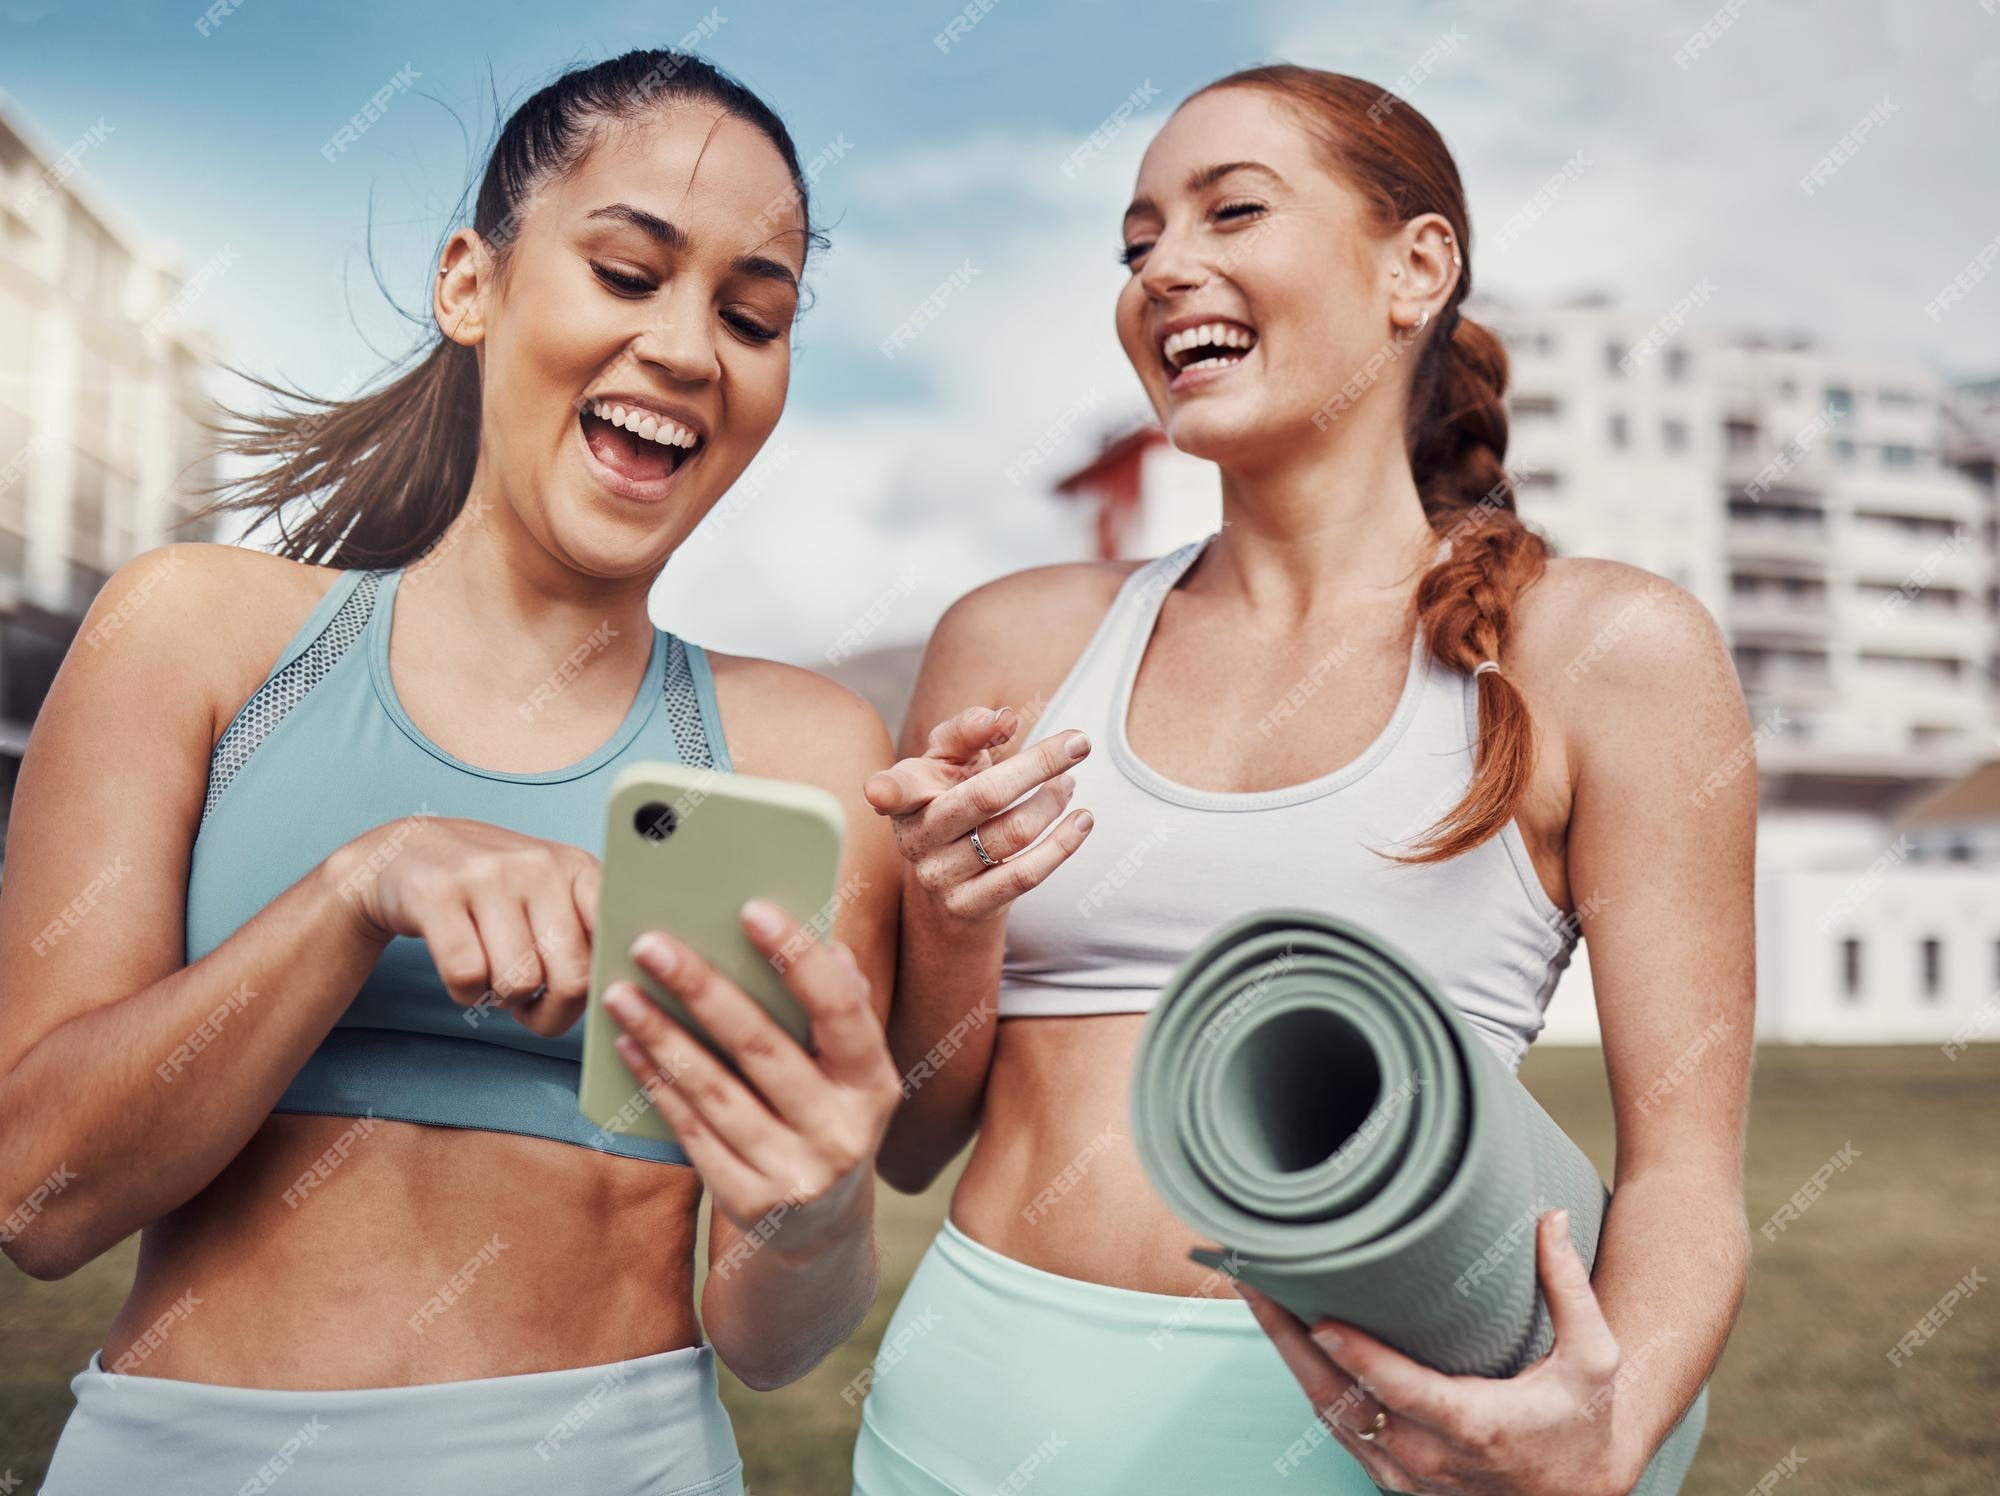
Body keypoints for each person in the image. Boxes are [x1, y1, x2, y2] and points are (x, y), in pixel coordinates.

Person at [0, 49, 902, 1496]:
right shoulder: (195, 633)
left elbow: (776, 1341)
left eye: (752, 315)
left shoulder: (807, 754)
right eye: (627, 273)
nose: (688, 350)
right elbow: (38, 1198)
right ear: (469, 285)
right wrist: (360, 887)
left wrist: (814, 1213)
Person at [854, 64, 1751, 1495]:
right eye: (1137, 242)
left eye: (1232, 212)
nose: (1166, 269)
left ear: (1417, 267)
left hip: (1391, 1456)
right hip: (976, 1415)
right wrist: (952, 928)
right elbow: (911, 1138)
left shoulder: (1607, 651)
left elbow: (1688, 1176)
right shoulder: (1012, 638)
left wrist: (1611, 1429)